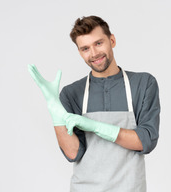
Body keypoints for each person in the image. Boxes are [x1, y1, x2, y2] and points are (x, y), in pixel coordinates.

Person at [28, 15, 160, 192]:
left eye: (98, 43)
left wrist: (95, 126)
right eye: (85, 48)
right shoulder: (71, 93)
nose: (94, 54)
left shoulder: (143, 83)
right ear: (80, 52)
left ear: (112, 40)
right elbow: (73, 153)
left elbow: (146, 141)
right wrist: (54, 109)